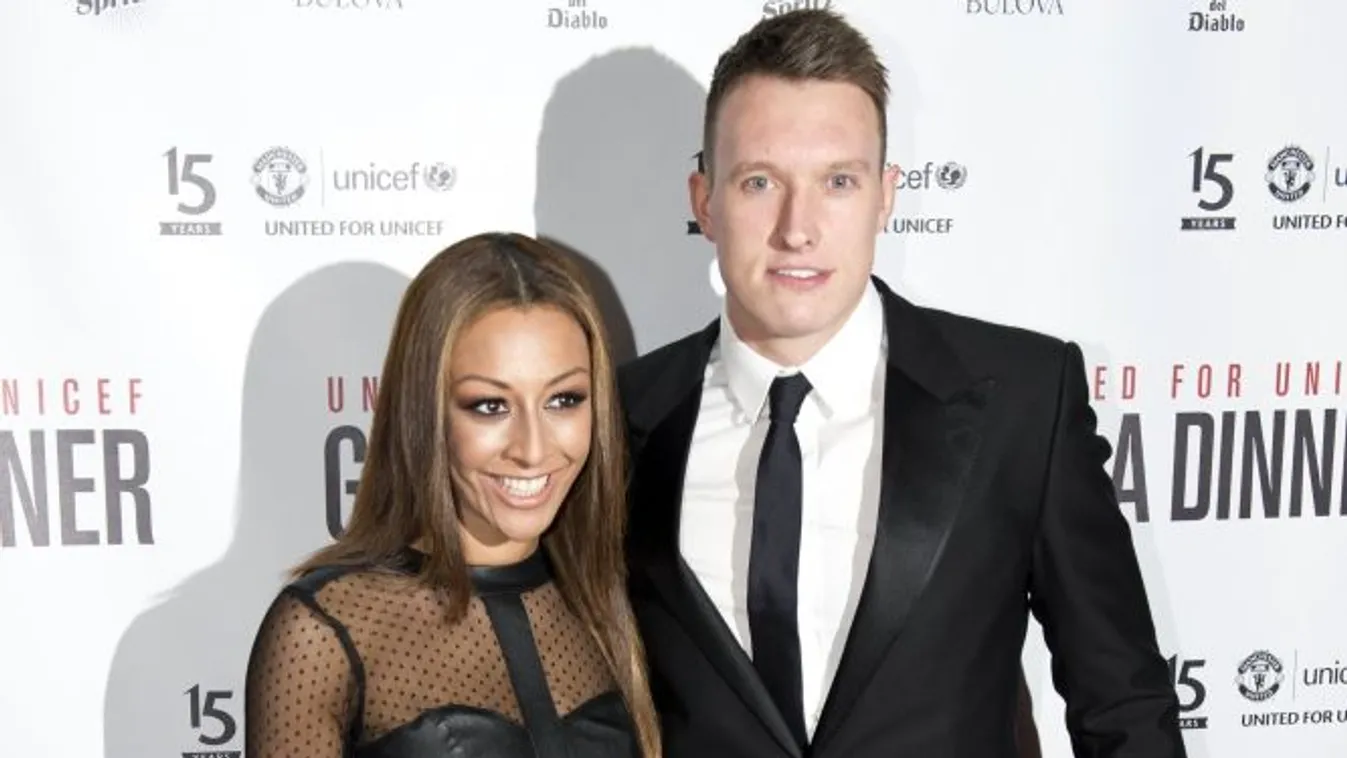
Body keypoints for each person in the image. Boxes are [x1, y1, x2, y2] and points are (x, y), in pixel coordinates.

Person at [617, 9, 1184, 758]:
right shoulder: (623, 416)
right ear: (704, 201)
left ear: (885, 195)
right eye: (759, 181)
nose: (798, 227)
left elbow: (1123, 707)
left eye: (838, 182)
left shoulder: (1022, 400)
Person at [243, 232, 661, 758]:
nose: (533, 450)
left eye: (563, 399)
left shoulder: (606, 602)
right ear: (425, 411)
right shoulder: (327, 632)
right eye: (490, 406)